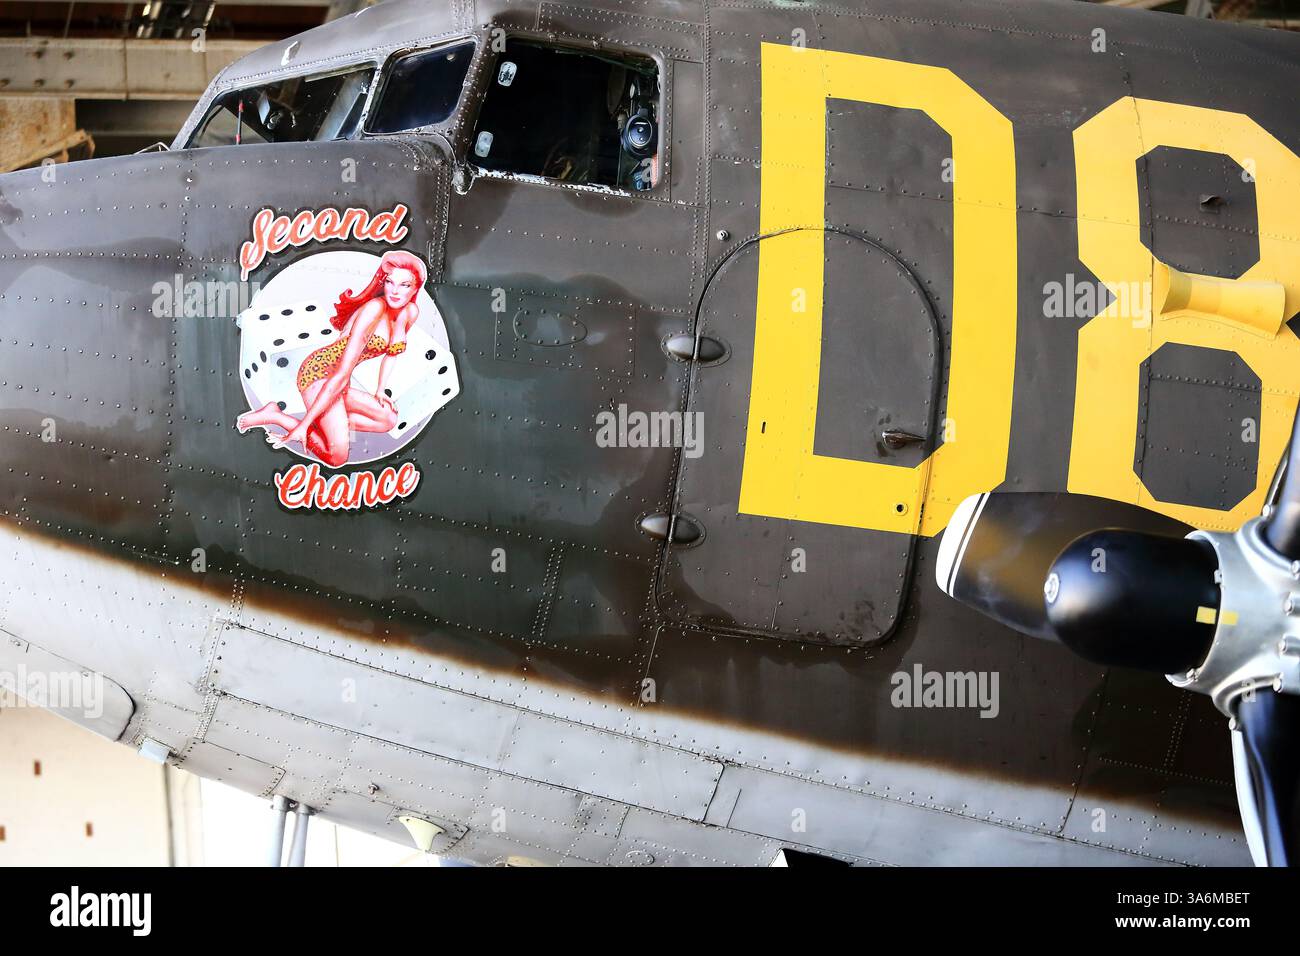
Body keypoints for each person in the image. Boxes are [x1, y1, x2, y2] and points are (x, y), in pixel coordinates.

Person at [236, 250, 425, 467]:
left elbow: (392, 355)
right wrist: (303, 425)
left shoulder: (410, 311)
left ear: (415, 288)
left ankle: (329, 425)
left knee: (388, 419)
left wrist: (380, 390)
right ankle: (277, 416)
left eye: (404, 285)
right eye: (390, 282)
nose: (394, 291)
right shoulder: (374, 309)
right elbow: (342, 375)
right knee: (336, 458)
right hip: (319, 373)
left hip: (338, 380)